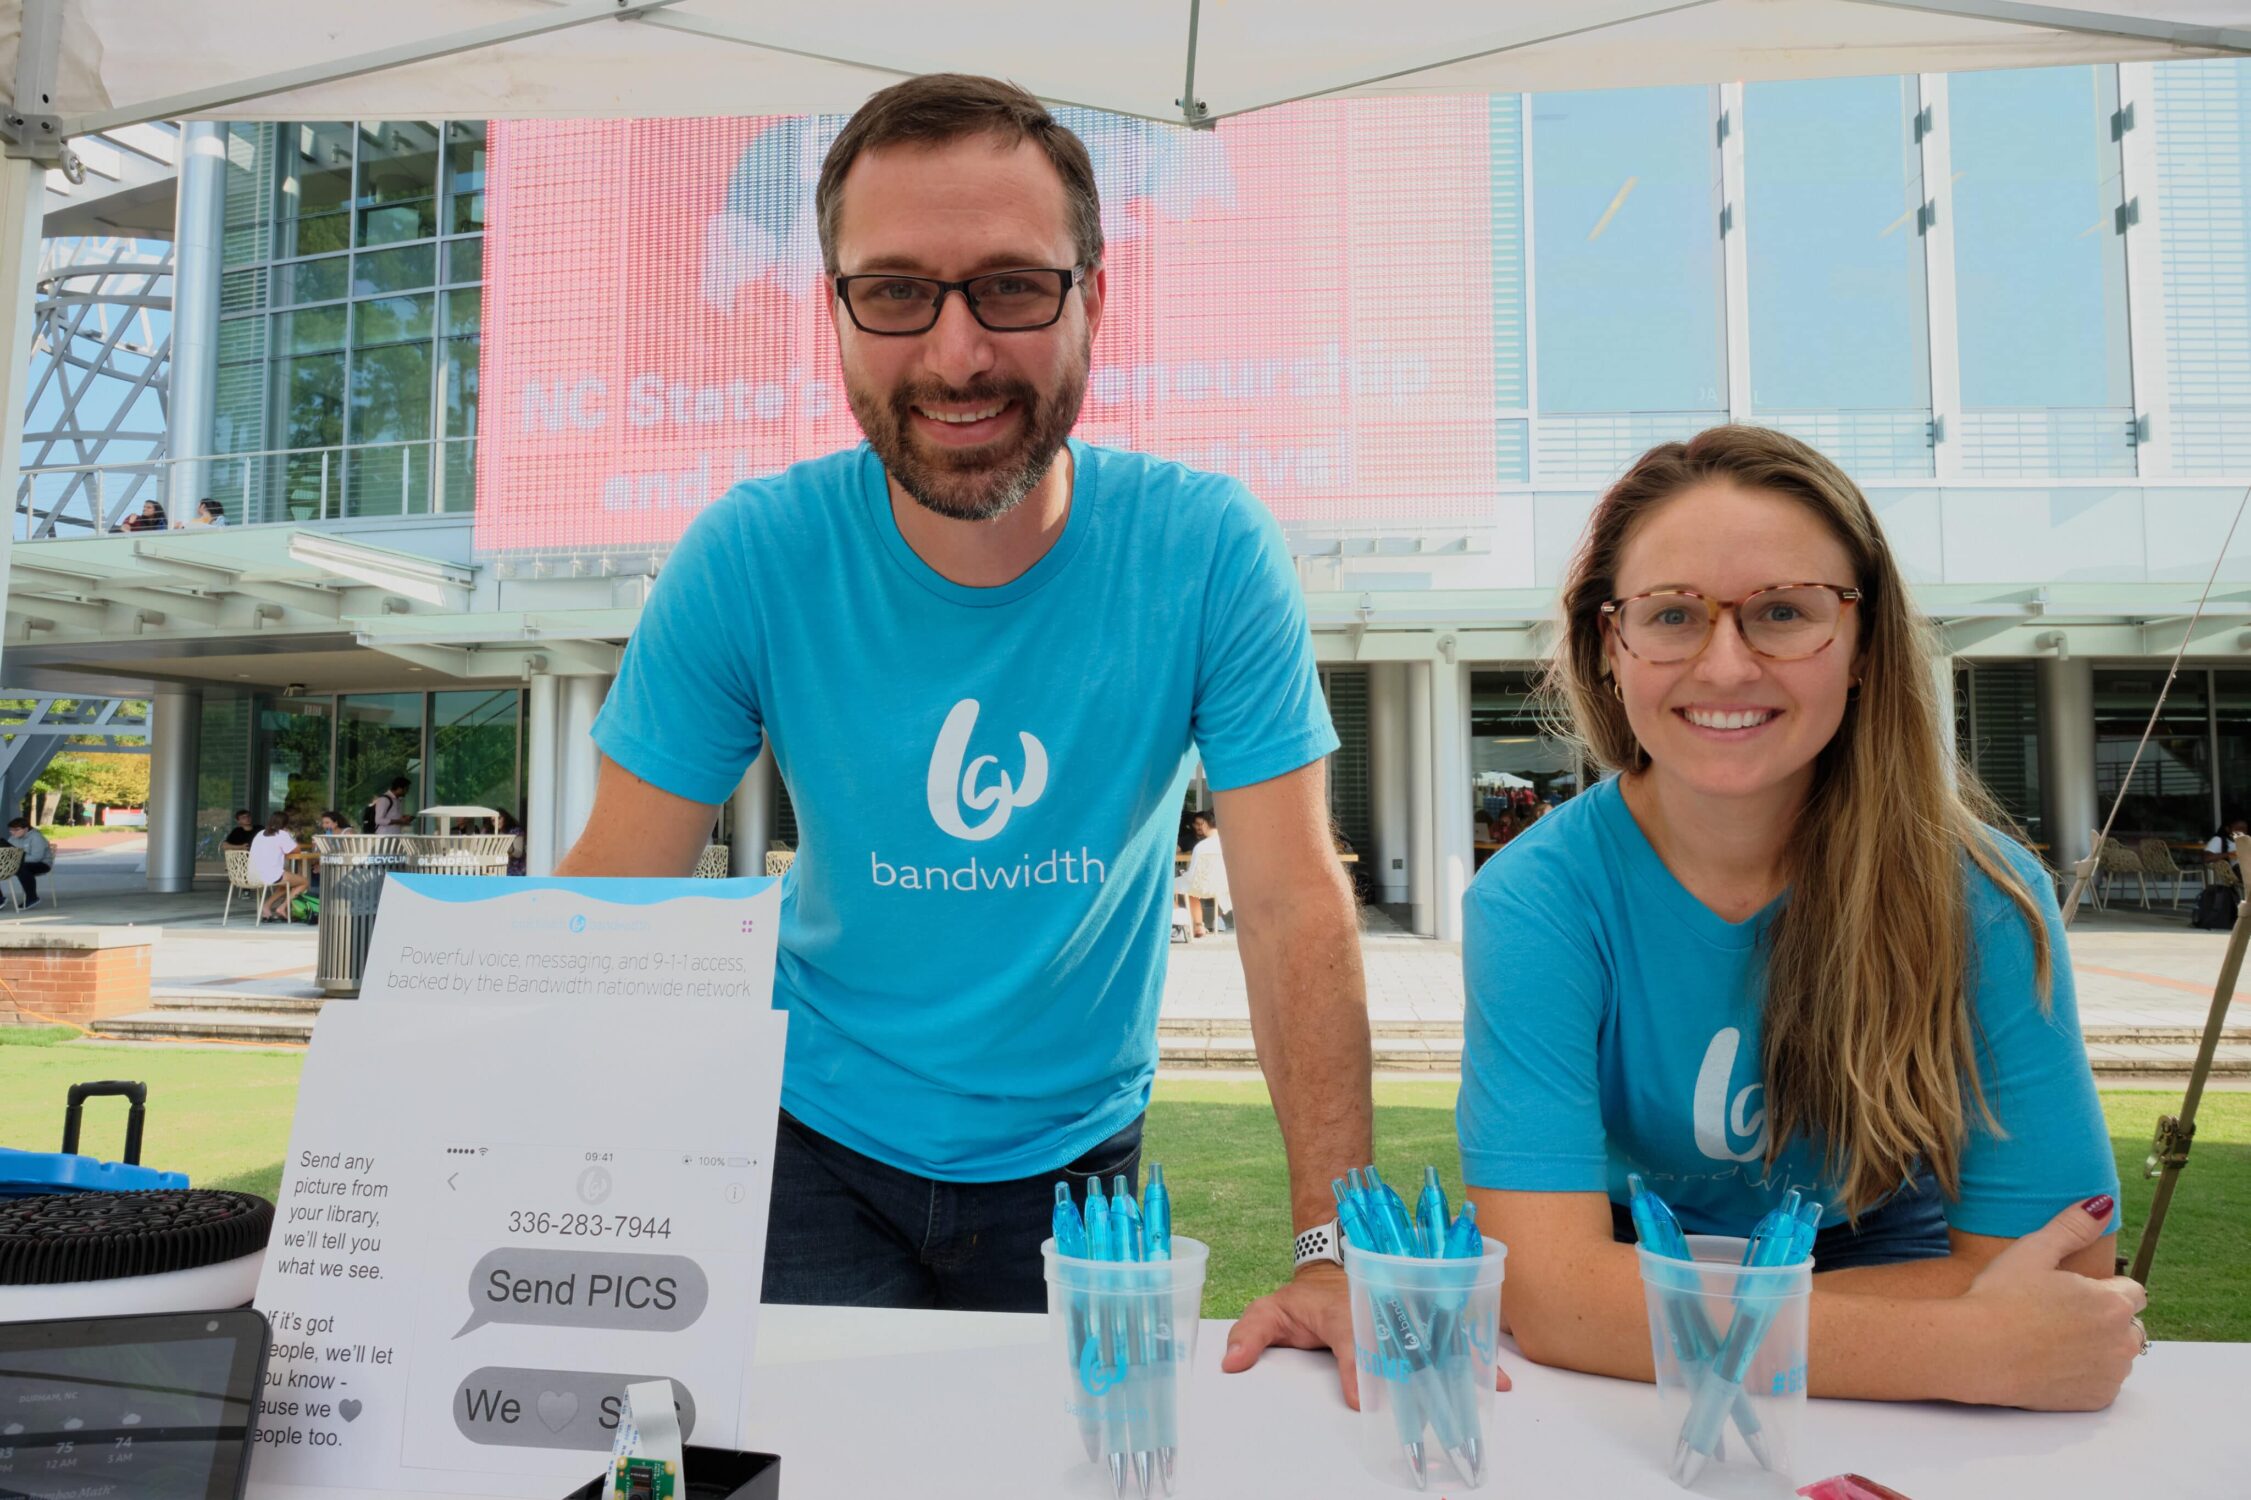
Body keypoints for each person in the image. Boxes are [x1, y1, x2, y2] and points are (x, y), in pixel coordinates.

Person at [558, 74, 1373, 1375]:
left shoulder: (1207, 549)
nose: (954, 354)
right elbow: (609, 905)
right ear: (832, 312)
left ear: (1091, 299)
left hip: (1077, 1167)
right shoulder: (748, 557)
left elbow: (1287, 903)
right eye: (894, 292)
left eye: (1009, 285)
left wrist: (1331, 1248)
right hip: (801, 1146)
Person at [1457, 426, 2144, 1411]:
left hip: (1853, 1257)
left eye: (1783, 611)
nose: (1727, 665)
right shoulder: (1534, 901)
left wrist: (1649, 1316)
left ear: (1863, 645)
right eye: (1670, 615)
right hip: (1634, 1343)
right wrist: (1955, 1348)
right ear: (1611, 648)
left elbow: (2064, 1279)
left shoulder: (1982, 897)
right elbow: (1554, 1299)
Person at [1174, 810, 1226, 938]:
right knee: (1191, 888)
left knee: (1168, 886)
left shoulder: (1201, 846)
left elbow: (1192, 875)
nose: (1199, 827)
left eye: (1201, 824)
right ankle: (1199, 925)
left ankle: (1181, 920)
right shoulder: (1226, 843)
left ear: (1206, 825)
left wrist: (1184, 875)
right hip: (1221, 884)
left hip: (1200, 885)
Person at [249, 813, 305, 921]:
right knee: (304, 882)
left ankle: (266, 906)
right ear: (285, 823)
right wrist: (290, 836)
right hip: (271, 874)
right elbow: (297, 850)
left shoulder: (260, 833)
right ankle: (282, 907)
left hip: (253, 874)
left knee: (286, 883)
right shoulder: (282, 834)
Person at [5, 817, 52, 910]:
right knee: (17, 867)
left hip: (42, 864)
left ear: (26, 829)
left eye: (16, 830)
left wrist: (17, 860)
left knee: (22, 868)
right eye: (11, 830)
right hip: (20, 863)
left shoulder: (36, 837)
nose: (13, 832)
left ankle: (32, 897)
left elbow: (36, 857)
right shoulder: (13, 838)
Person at [2205, 817, 2247, 890]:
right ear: (2228, 829)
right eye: (2238, 829)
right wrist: (2230, 854)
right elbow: (2207, 858)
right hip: (2238, 871)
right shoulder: (2219, 840)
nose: (2242, 832)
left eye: (2244, 829)